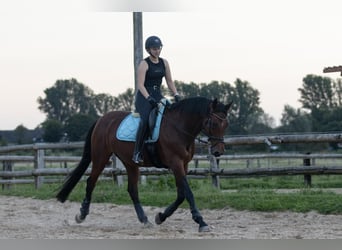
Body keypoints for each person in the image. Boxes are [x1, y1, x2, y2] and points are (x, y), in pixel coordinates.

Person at [132, 35, 181, 164]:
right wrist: (148, 98)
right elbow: (140, 85)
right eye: (154, 49)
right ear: (148, 49)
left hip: (158, 95)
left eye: (159, 48)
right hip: (144, 97)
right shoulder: (144, 63)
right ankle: (137, 153)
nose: (157, 51)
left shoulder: (164, 63)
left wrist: (176, 94)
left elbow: (169, 81)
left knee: (171, 114)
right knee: (145, 119)